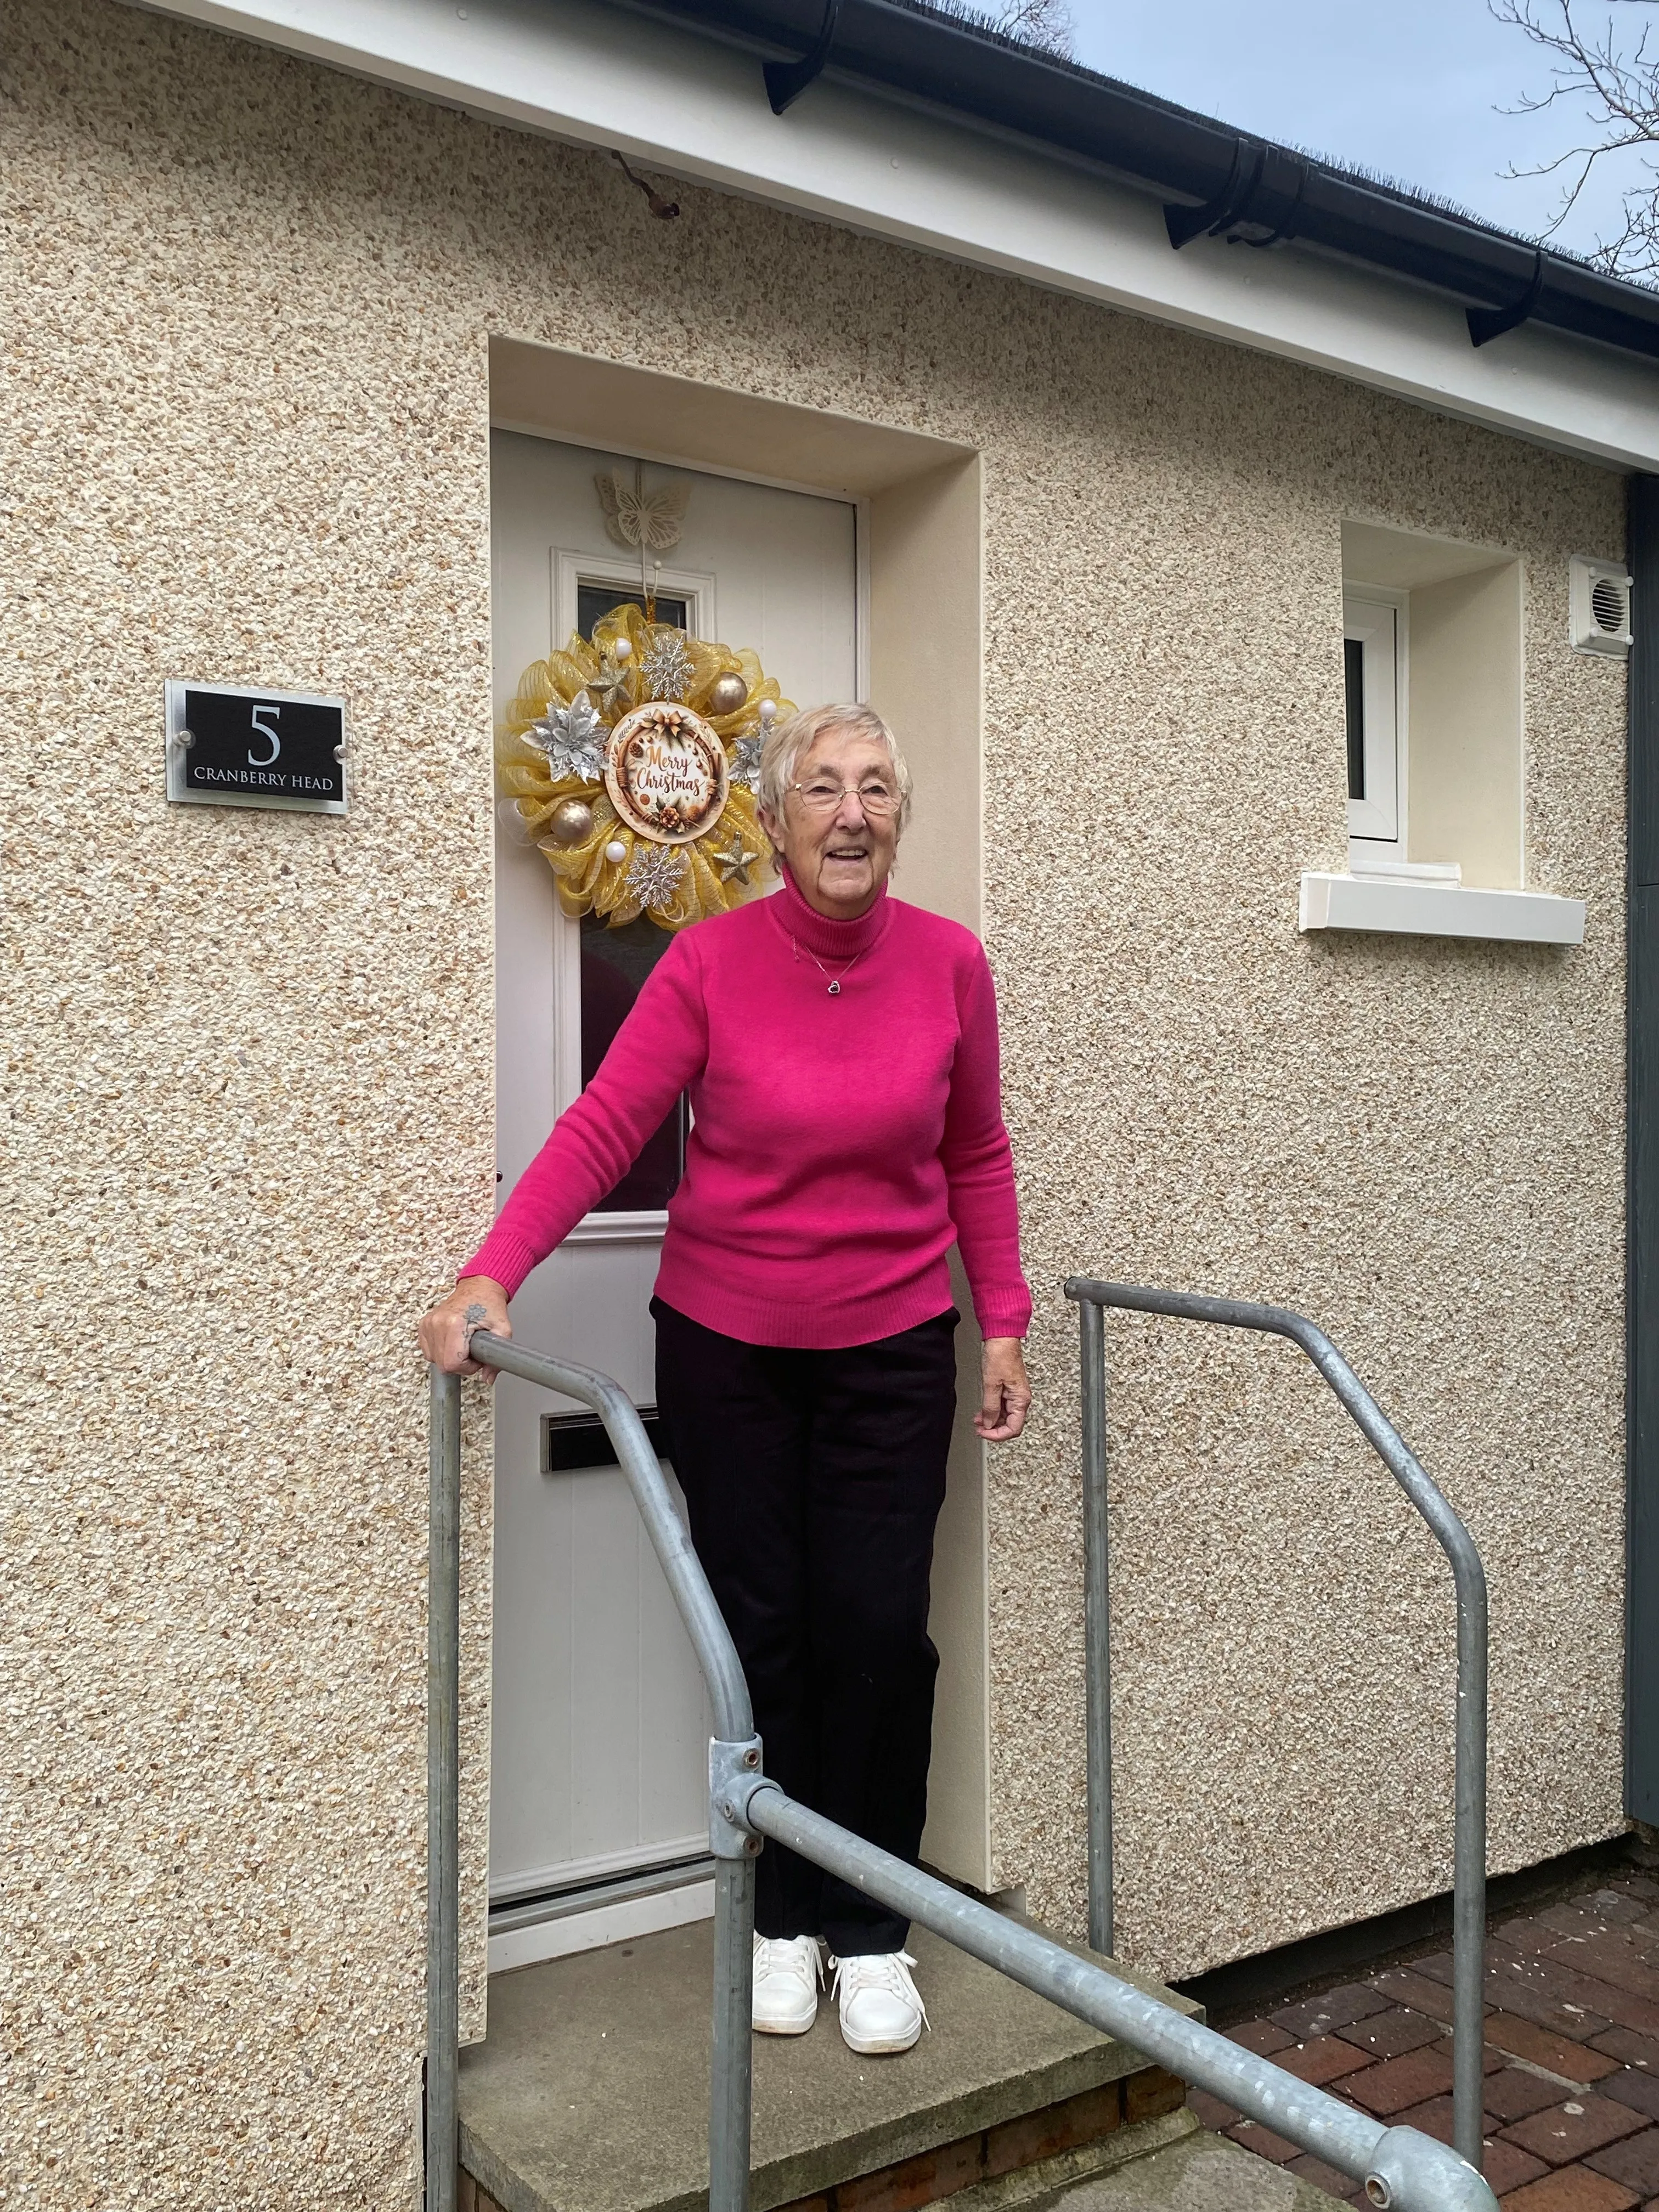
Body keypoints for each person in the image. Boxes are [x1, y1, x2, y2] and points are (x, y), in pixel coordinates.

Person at [421, 701, 1032, 2056]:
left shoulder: (950, 965)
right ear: (772, 820)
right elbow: (605, 1127)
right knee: (764, 1630)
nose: (852, 814)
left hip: (889, 1352)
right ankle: (779, 1918)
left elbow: (976, 1153)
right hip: (728, 1350)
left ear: (900, 818)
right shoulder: (706, 963)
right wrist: (493, 1271)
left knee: (879, 1632)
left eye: (876, 789)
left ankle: (871, 1926)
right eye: (823, 788)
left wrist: (1002, 1318)